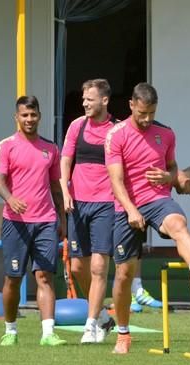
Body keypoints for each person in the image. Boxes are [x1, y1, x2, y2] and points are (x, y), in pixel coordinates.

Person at [105, 82, 190, 354]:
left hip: (158, 199)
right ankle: (123, 334)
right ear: (131, 105)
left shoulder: (166, 133)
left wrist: (169, 177)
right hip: (127, 205)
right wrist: (131, 210)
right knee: (124, 274)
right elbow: (115, 180)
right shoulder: (116, 135)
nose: (147, 119)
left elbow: (173, 168)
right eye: (142, 113)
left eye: (151, 113)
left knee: (178, 224)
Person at [0, 95, 67, 347]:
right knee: (13, 278)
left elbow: (56, 187)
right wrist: (10, 198)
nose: (29, 119)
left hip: (45, 221)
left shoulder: (51, 148)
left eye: (33, 115)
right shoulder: (6, 146)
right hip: (15, 223)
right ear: (16, 117)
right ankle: (10, 330)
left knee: (44, 276)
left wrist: (63, 219)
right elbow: (0, 181)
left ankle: (48, 333)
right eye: (24, 115)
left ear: (39, 116)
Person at [60, 79, 117, 344]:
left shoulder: (116, 131)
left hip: (106, 204)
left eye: (90, 99)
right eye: (83, 99)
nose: (85, 104)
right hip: (78, 204)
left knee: (98, 267)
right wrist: (65, 191)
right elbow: (66, 160)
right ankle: (104, 316)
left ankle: (91, 325)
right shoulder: (76, 126)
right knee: (77, 266)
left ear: (104, 100)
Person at [130, 166, 190, 313]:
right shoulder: (163, 171)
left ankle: (137, 290)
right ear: (189, 182)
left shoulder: (168, 182)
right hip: (125, 203)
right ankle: (128, 293)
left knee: (137, 245)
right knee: (126, 247)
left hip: (147, 207)